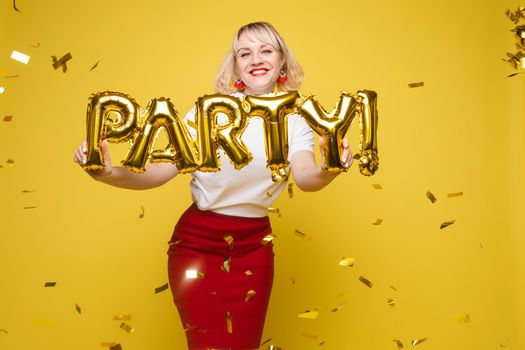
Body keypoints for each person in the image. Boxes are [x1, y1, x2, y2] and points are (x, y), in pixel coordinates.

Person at [74, 21, 352, 350]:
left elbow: (306, 177)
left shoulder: (298, 117)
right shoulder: (210, 113)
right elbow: (159, 173)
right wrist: (107, 173)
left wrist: (331, 169)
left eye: (266, 50)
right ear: (235, 66)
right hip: (197, 246)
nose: (255, 59)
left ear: (281, 62)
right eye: (244, 53)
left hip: (254, 249)